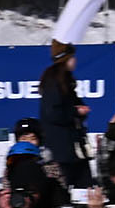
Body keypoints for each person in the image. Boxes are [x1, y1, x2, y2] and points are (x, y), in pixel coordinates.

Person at [39, 41, 91, 188]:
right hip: (61, 149)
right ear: (65, 59)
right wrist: (76, 111)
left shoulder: (66, 80)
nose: (75, 60)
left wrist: (80, 111)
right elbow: (53, 113)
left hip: (73, 147)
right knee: (64, 189)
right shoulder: (53, 80)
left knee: (84, 187)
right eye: (72, 57)